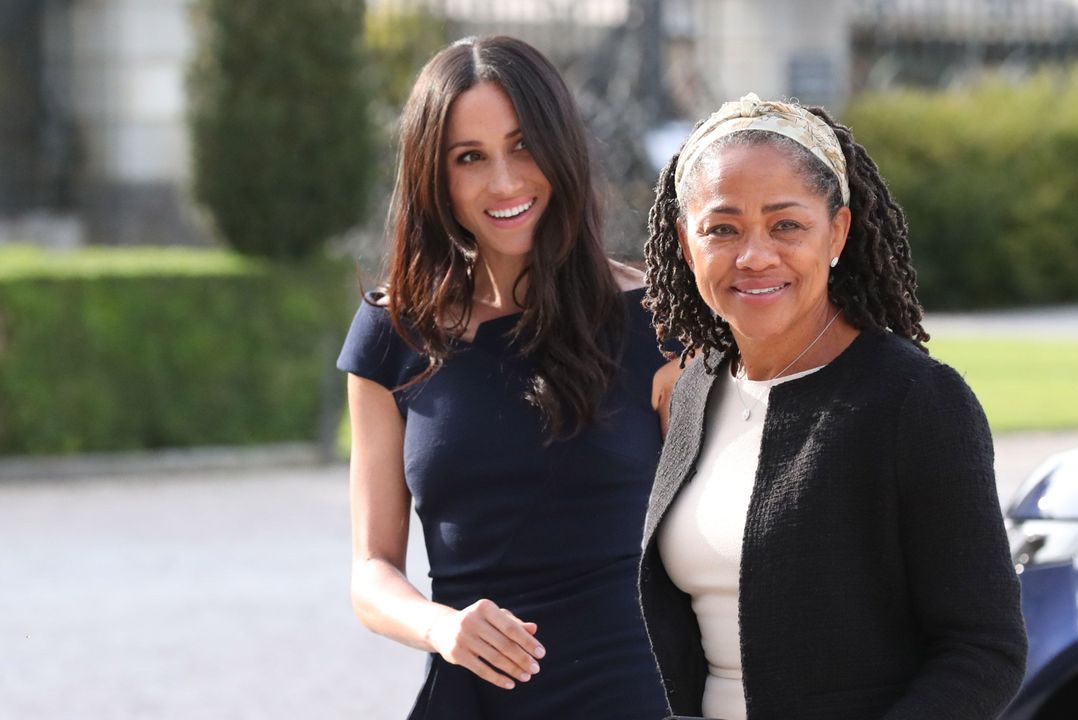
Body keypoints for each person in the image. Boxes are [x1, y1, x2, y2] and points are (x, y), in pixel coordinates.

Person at [639, 94, 1028, 720]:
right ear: (688, 244)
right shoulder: (696, 389)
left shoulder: (914, 401)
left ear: (837, 232)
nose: (755, 255)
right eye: (723, 228)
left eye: (786, 224)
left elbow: (986, 649)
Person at [336, 36, 672, 719]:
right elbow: (371, 572)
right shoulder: (392, 336)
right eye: (470, 158)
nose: (505, 182)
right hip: (470, 697)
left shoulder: (659, 325)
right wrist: (441, 627)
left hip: (635, 694)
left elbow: (722, 545)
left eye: (523, 146)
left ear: (562, 148)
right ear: (436, 176)